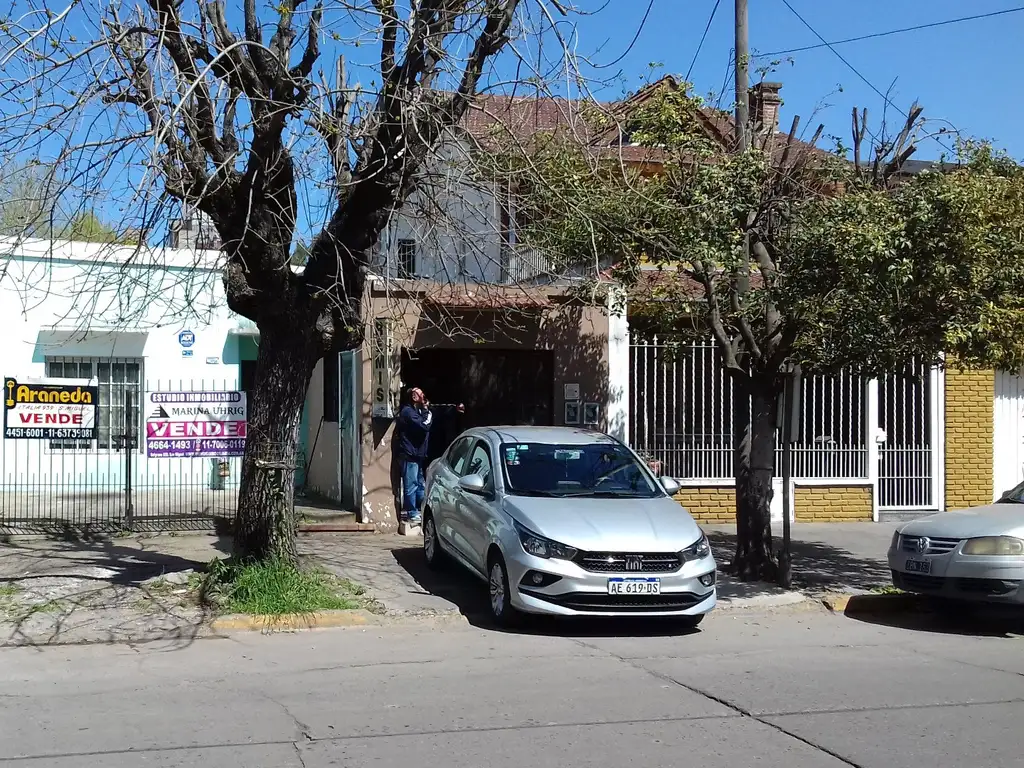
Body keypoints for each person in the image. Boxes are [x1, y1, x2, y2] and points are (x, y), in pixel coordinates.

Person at [395, 387, 464, 524]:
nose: (424, 397)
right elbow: (424, 425)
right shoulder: (408, 412)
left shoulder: (417, 410)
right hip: (409, 455)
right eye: (422, 394)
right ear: (414, 397)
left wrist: (455, 409)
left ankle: (421, 509)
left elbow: (438, 411)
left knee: (421, 485)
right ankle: (412, 513)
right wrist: (427, 411)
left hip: (418, 454)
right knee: (411, 485)